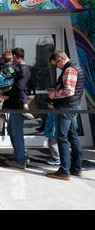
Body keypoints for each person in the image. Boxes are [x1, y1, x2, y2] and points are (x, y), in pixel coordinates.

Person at [46, 51, 85, 180]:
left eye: (56, 64)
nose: (57, 67)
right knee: (72, 136)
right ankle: (76, 168)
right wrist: (56, 90)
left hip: (66, 107)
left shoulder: (70, 69)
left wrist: (53, 95)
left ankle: (64, 171)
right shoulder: (76, 67)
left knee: (62, 138)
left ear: (61, 60)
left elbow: (69, 91)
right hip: (73, 106)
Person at [3, 47, 31, 170]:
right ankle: (22, 156)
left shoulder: (22, 69)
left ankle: (20, 160)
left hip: (17, 106)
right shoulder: (22, 68)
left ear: (14, 56)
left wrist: (7, 95)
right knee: (12, 130)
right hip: (16, 105)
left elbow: (19, 87)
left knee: (16, 132)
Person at [0, 50, 34, 120]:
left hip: (3, 87)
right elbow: (20, 74)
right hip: (10, 88)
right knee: (22, 94)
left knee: (5, 100)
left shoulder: (1, 67)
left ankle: (3, 114)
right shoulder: (11, 67)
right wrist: (21, 68)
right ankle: (26, 109)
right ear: (13, 58)